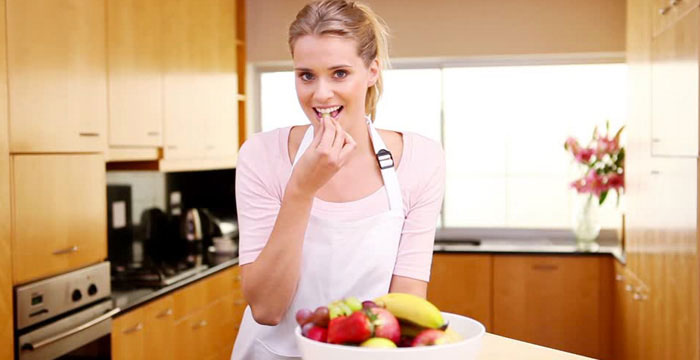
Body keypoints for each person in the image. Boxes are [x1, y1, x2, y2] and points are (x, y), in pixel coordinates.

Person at [231, 1, 445, 358]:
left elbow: (407, 300)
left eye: (340, 73)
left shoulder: (421, 160)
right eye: (306, 75)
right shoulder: (261, 155)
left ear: (372, 71)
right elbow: (266, 310)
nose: (321, 94)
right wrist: (301, 189)